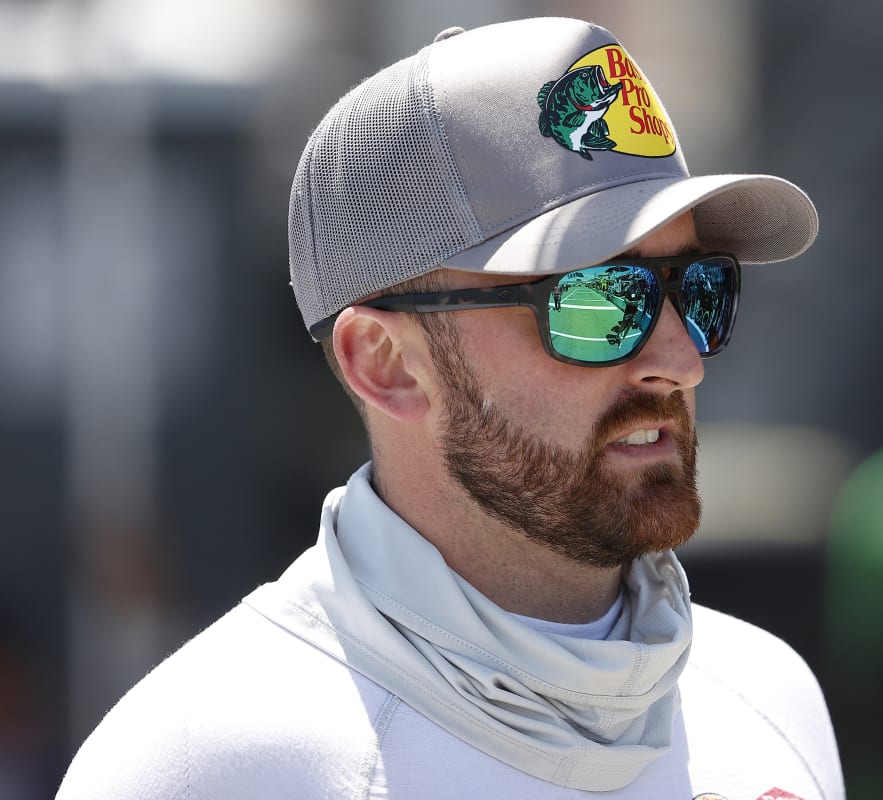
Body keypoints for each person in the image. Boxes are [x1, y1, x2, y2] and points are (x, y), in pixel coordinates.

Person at [57, 17, 842, 800]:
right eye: (601, 301)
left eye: (700, 290)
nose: (682, 362)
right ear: (387, 364)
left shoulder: (769, 699)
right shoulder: (208, 764)